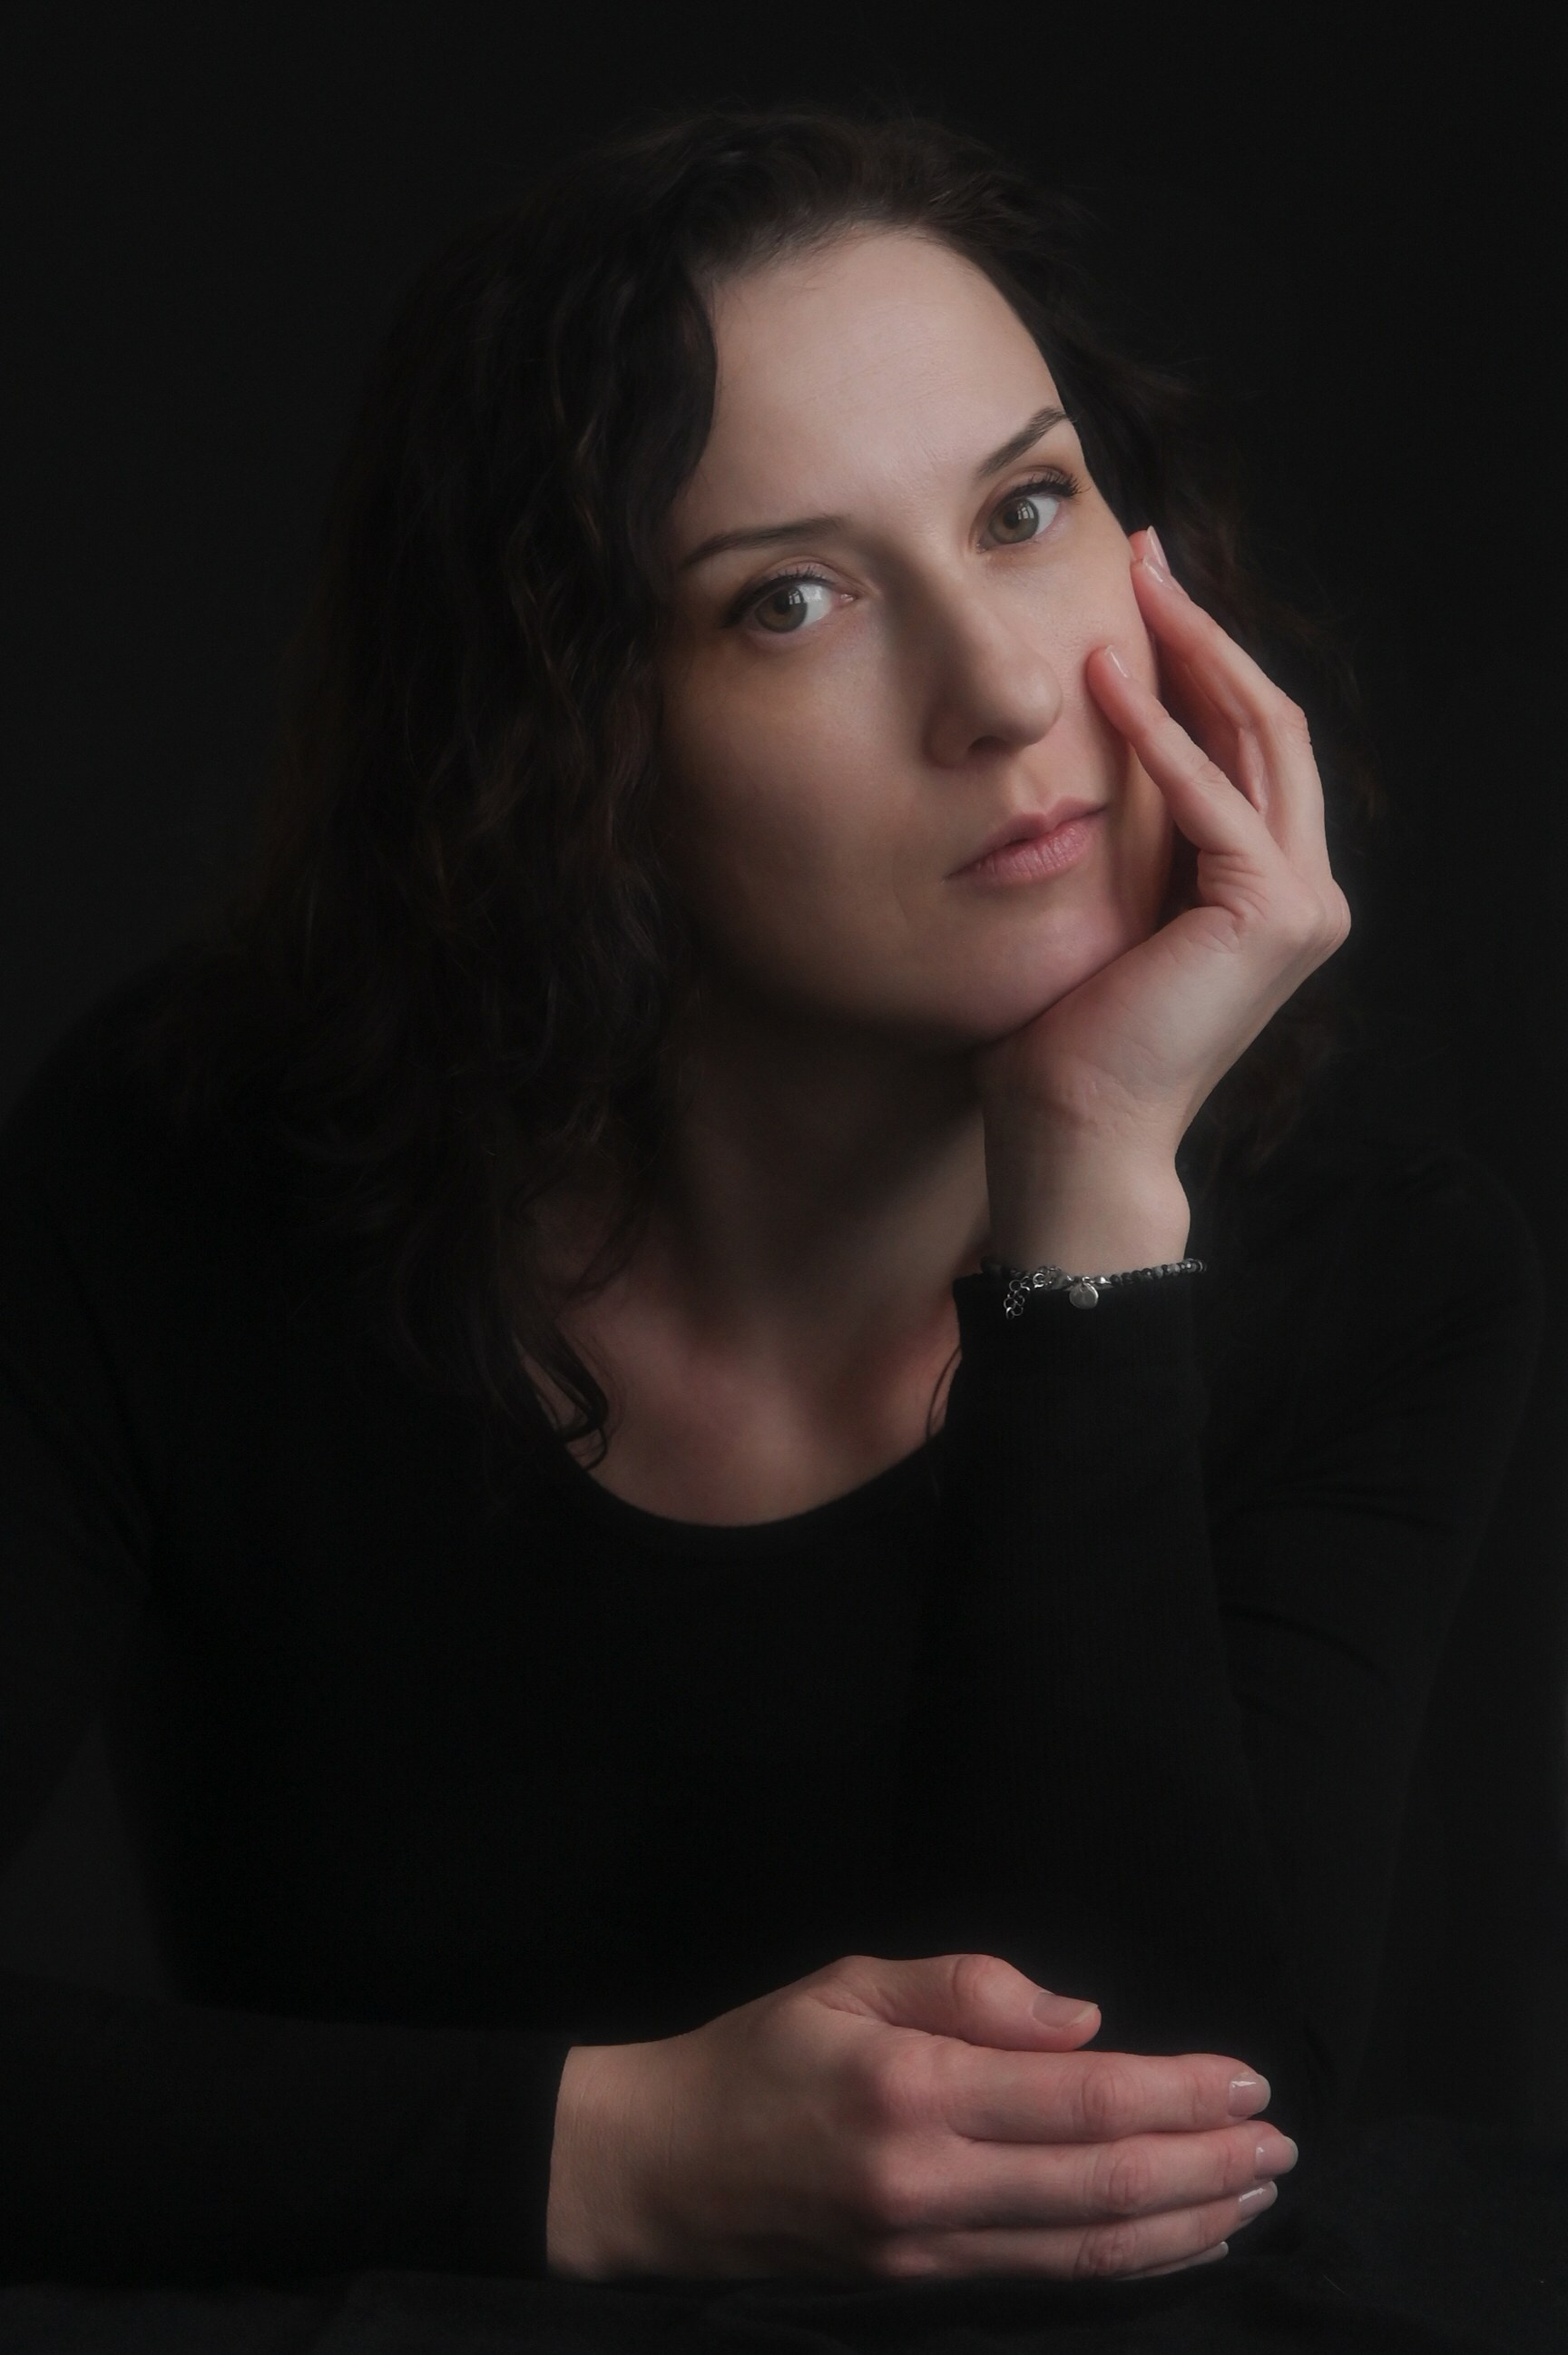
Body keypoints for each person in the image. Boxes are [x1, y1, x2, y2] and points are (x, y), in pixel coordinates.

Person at [0, 103, 1544, 2296]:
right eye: (789, 599)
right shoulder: (186, 1165)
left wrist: (1085, 1198)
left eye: (1024, 507)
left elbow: (1139, 2175)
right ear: (567, 735)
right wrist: (608, 2155)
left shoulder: (1386, 1273)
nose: (1001, 691)